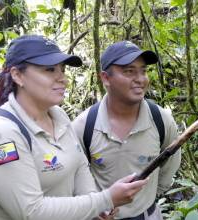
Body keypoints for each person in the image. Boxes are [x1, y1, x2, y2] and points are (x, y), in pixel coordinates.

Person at [0, 35, 147, 220]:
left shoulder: (58, 115)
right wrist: (105, 199)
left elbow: (79, 166)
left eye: (62, 70)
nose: (63, 79)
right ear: (17, 75)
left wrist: (94, 205)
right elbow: (31, 212)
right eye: (50, 69)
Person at [72, 41, 181, 219]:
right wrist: (93, 206)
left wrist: (146, 199)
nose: (140, 79)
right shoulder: (84, 126)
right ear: (106, 78)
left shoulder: (162, 121)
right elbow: (75, 176)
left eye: (143, 71)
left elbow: (168, 169)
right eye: (129, 71)